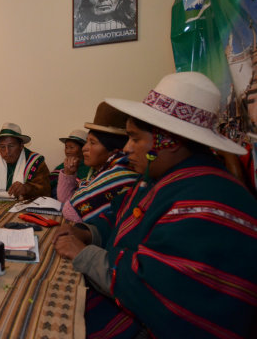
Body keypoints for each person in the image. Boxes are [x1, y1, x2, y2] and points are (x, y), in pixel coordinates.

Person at [54, 72, 257, 338]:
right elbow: (120, 217)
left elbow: (149, 288)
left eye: (135, 138)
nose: (126, 149)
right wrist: (88, 232)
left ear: (169, 141)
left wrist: (84, 254)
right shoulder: (158, 180)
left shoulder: (206, 201)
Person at [57, 103, 138, 223]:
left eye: (92, 143)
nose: (84, 148)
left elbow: (70, 210)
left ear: (113, 151)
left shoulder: (120, 173)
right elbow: (65, 201)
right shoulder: (101, 170)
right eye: (87, 142)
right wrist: (68, 173)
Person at [0, 123, 51, 199]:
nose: (7, 151)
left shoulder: (36, 162)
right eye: (2, 147)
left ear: (21, 146)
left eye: (11, 146)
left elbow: (46, 189)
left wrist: (27, 188)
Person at [49, 129, 90, 198]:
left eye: (71, 147)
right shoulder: (61, 167)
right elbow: (48, 185)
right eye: (66, 147)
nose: (67, 151)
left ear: (83, 148)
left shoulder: (89, 168)